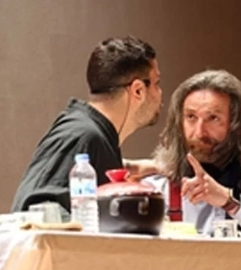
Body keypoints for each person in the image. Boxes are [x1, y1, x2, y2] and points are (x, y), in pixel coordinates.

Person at [130, 69, 241, 233]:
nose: (199, 133)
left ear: (237, 125)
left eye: (213, 118)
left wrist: (229, 200)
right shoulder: (158, 178)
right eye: (191, 117)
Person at [10, 36, 162, 212]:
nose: (160, 92)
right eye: (157, 83)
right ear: (138, 90)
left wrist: (151, 167)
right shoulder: (82, 135)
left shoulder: (98, 138)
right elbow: (34, 211)